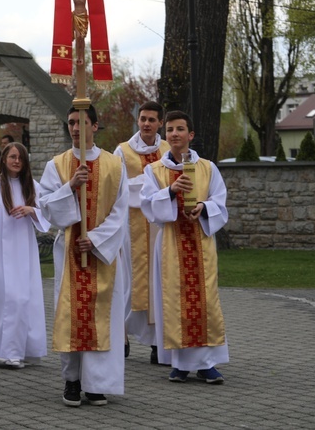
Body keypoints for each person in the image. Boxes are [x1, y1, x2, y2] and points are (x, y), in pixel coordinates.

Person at [38, 105, 128, 407]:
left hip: (102, 255)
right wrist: (71, 186)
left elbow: (121, 209)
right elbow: (47, 206)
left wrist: (97, 239)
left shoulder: (115, 165)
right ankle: (73, 380)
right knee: (70, 316)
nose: (75, 128)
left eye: (82, 122)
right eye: (71, 122)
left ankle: (97, 383)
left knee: (102, 315)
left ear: (95, 126)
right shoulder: (58, 164)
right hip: (69, 255)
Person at [140, 110, 229, 384]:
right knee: (174, 301)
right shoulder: (154, 170)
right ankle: (179, 363)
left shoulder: (207, 167)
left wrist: (203, 207)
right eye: (170, 130)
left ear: (190, 135)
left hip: (200, 243)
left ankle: (206, 364)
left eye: (180, 129)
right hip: (170, 244)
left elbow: (220, 201)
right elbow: (147, 204)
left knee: (204, 300)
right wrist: (170, 190)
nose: (174, 134)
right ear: (165, 136)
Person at [0, 142, 49, 368]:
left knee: (22, 299)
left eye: (21, 158)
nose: (17, 161)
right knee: (2, 300)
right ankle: (1, 351)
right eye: (12, 157)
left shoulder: (32, 187)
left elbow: (46, 217)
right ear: (4, 159)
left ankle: (18, 349)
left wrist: (31, 211)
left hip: (23, 251)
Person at [113, 101, 170, 363]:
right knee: (129, 283)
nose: (146, 123)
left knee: (160, 283)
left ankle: (159, 344)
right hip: (131, 227)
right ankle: (120, 335)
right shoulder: (122, 151)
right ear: (137, 121)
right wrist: (150, 188)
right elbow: (115, 185)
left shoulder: (169, 149)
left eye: (152, 120)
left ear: (160, 123)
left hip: (161, 226)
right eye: (143, 119)